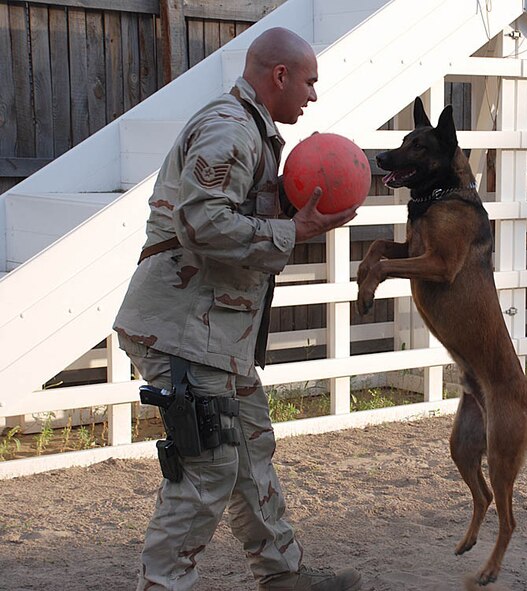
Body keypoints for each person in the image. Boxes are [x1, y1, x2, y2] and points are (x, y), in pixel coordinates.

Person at [113, 27, 362, 591]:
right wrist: (289, 230)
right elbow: (200, 222)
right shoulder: (229, 129)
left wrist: (289, 216)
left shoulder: (253, 131)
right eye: (309, 81)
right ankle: (164, 584)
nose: (313, 95)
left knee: (249, 450)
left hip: (214, 334)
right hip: (181, 330)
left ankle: (283, 576)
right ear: (280, 76)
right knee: (207, 464)